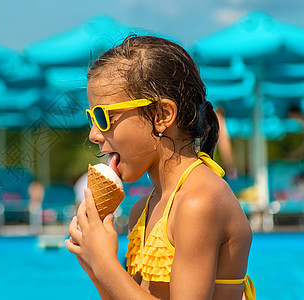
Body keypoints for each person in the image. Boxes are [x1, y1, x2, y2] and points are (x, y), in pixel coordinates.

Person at [65, 35, 255, 300]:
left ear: (162, 115)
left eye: (103, 116)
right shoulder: (141, 211)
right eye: (91, 117)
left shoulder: (199, 202)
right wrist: (95, 267)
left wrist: (106, 266)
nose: (93, 134)